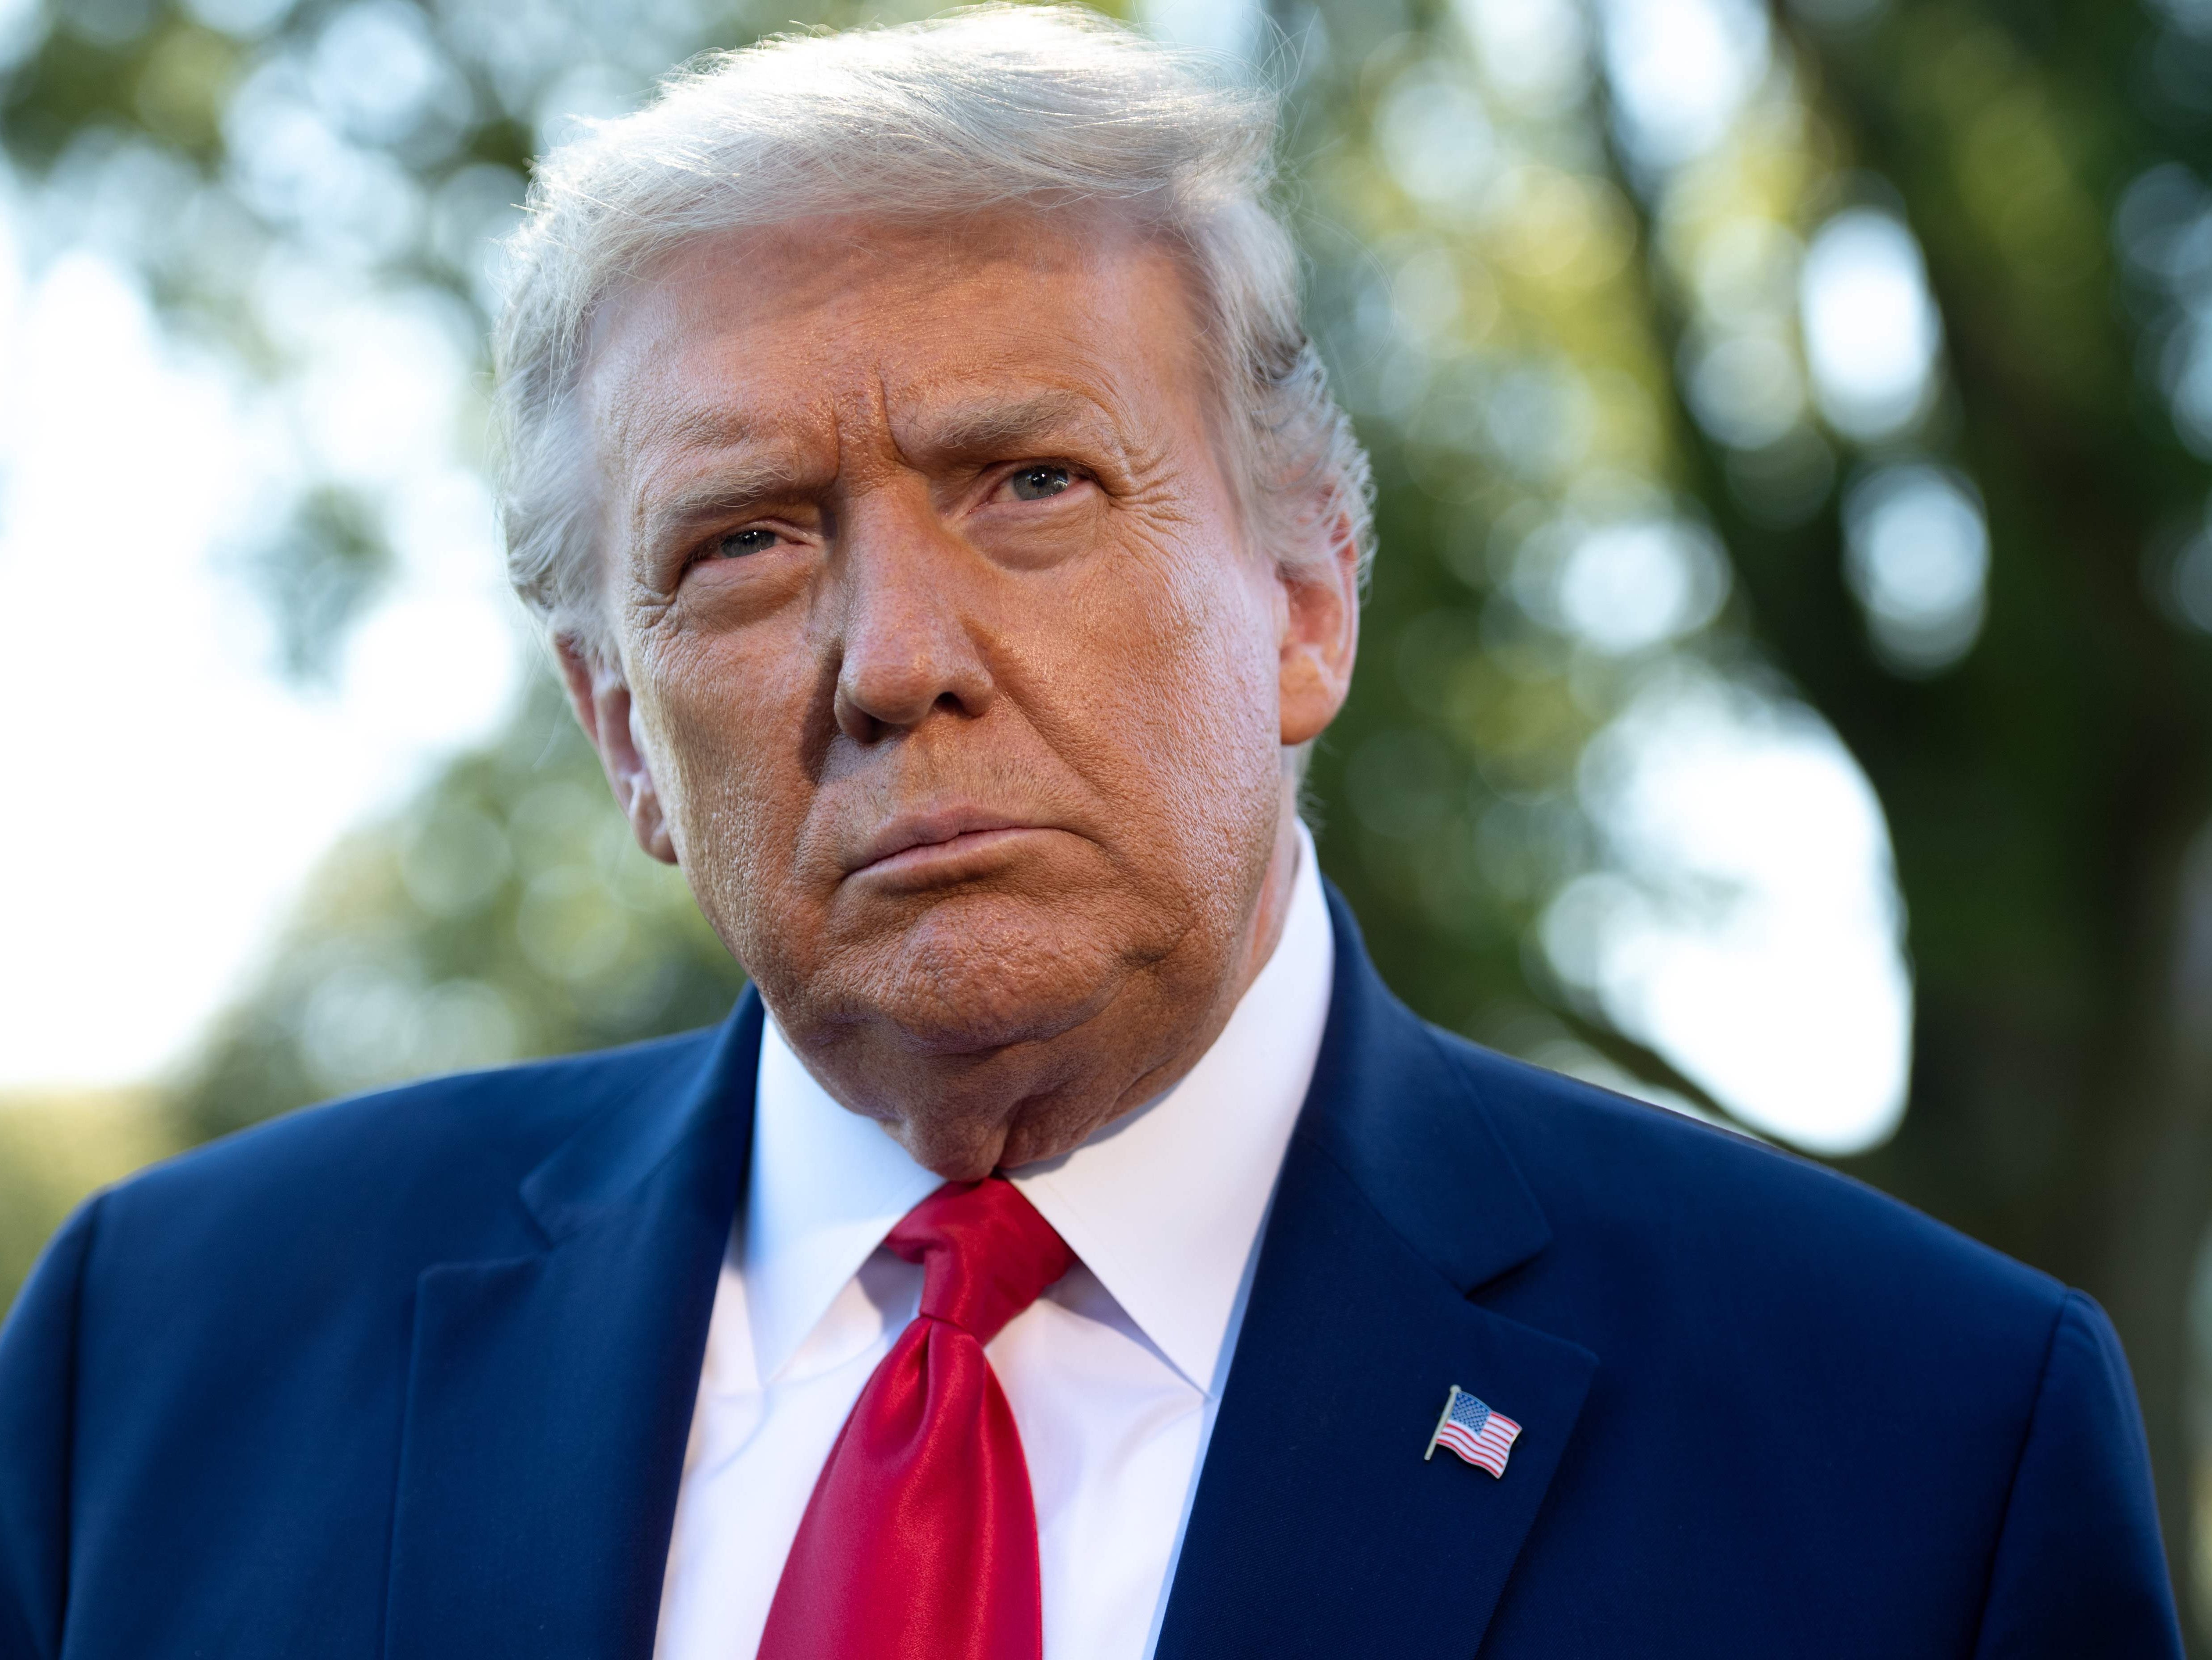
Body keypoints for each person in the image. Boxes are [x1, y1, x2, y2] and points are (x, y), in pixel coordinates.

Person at [0, 8, 2184, 1658]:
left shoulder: (1917, 1445)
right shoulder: (166, 1359)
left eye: (1029, 484)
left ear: (1305, 597)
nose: (891, 656)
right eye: (746, 545)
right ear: (622, 732)